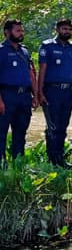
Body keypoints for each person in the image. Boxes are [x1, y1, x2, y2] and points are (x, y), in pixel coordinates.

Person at [37, 19, 72, 167]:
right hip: (51, 90)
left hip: (67, 91)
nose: (67, 32)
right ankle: (52, 159)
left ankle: (60, 157)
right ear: (57, 30)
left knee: (63, 125)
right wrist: (40, 92)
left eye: (69, 29)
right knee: (53, 125)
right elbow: (42, 70)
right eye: (64, 29)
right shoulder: (47, 46)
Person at [0, 19, 38, 167]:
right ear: (7, 32)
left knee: (21, 132)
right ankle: (2, 165)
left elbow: (31, 74)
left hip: (24, 97)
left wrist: (35, 95)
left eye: (22, 30)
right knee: (1, 132)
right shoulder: (1, 50)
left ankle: (18, 165)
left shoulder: (25, 51)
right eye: (18, 31)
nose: (21, 33)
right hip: (7, 95)